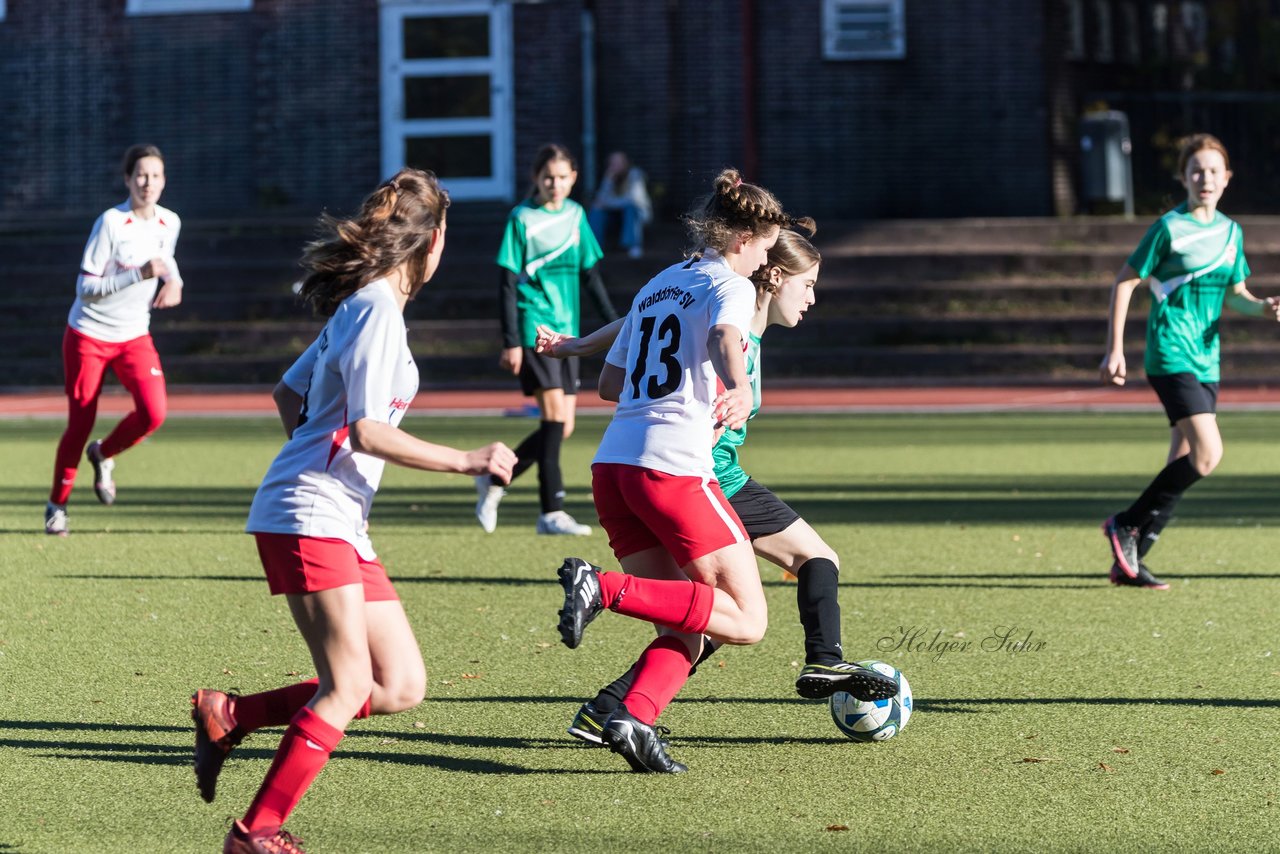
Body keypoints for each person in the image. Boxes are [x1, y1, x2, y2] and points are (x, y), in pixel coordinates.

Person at [189, 168, 516, 854]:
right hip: (314, 515)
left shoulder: (363, 310)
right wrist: (467, 458)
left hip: (328, 514)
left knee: (398, 683)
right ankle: (257, 833)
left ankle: (233, 714)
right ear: (432, 242)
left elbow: (288, 395)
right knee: (344, 688)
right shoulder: (371, 310)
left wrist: (317, 475)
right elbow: (367, 430)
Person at [552, 169, 899, 774]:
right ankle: (600, 588)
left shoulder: (662, 282)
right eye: (769, 244)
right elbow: (722, 336)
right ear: (745, 237)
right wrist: (736, 385)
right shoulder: (730, 286)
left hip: (614, 467)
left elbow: (612, 381)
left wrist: (576, 347)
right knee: (745, 617)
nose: (770, 257)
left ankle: (627, 715)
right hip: (676, 471)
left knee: (692, 615)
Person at [1100, 133, 1279, 590]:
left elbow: (1235, 295)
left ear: (1227, 179)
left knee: (1182, 457)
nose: (1205, 178)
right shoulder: (1168, 229)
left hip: (1207, 361)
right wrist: (1115, 348)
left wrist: (1262, 307)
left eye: (1214, 171)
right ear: (1183, 177)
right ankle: (1127, 523)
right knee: (1207, 454)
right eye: (1196, 170)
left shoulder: (1232, 233)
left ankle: (1132, 560)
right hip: (1170, 352)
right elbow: (1125, 282)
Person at [479, 143, 620, 537]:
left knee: (563, 426)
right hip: (535, 329)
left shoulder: (576, 216)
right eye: (547, 177)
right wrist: (511, 341)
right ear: (536, 179)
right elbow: (506, 284)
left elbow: (590, 275)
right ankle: (551, 512)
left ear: (573, 178)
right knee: (554, 419)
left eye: (561, 177)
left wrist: (616, 323)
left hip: (567, 332)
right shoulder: (521, 218)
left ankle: (495, 478)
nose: (554, 184)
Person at [45, 144, 183, 536]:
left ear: (164, 181)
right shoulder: (110, 222)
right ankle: (57, 505)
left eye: (156, 175)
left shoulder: (169, 221)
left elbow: (166, 259)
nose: (148, 183)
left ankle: (103, 455)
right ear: (127, 179)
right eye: (141, 175)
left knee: (154, 413)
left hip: (134, 335)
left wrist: (175, 281)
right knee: (80, 422)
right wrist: (138, 275)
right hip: (88, 333)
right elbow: (85, 287)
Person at [588, 151, 652, 259]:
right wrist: (608, 180)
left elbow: (632, 200)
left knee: (630, 209)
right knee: (596, 210)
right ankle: (594, 246)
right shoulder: (609, 176)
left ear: (626, 163)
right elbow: (600, 200)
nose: (615, 166)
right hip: (616, 215)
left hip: (637, 214)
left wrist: (608, 203)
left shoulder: (635, 174)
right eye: (612, 163)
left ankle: (633, 246)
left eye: (618, 163)